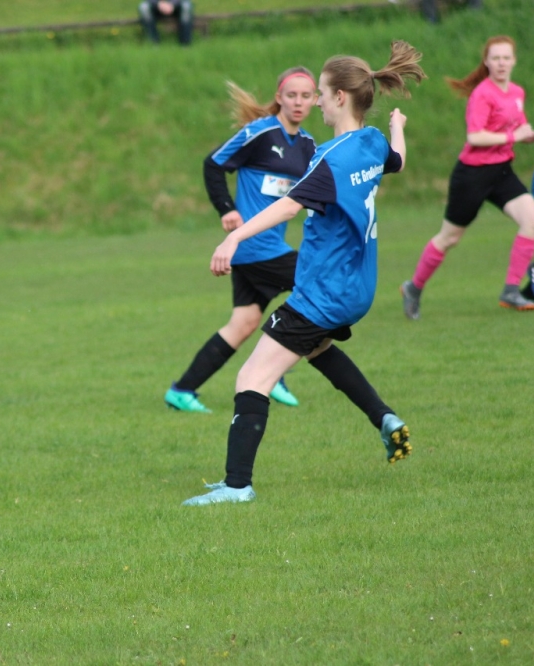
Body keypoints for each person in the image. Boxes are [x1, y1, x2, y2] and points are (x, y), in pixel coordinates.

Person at [183, 40, 425, 507]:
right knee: (317, 348)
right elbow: (397, 159)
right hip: (357, 288)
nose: (316, 103)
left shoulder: (328, 158)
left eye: (322, 93)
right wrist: (397, 127)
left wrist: (234, 238)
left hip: (323, 292)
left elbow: (288, 207)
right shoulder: (372, 142)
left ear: (340, 97)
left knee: (252, 377)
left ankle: (237, 487)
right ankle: (384, 417)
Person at [165, 68, 318, 414]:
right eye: (291, 95)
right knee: (317, 285)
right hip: (252, 245)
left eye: (305, 96)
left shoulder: (308, 145)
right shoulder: (259, 133)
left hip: (266, 247)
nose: (298, 102)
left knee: (244, 323)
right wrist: (227, 209)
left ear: (315, 100)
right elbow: (213, 164)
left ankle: (182, 390)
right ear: (279, 97)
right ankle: (274, 369)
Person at [400, 36, 534, 319]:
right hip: (472, 175)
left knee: (533, 221)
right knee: (449, 238)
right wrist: (513, 136)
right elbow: (475, 136)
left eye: (506, 58)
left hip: (502, 172)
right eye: (495, 58)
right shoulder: (482, 94)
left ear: (514, 60)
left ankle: (511, 290)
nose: (501, 63)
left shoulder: (517, 92)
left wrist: (529, 135)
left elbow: (518, 126)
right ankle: (413, 287)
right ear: (486, 61)